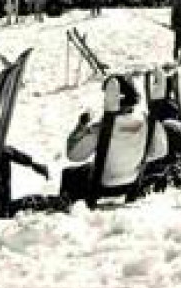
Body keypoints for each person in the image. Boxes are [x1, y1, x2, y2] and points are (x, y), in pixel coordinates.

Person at [61, 76, 168, 206]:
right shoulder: (147, 123)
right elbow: (161, 151)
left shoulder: (102, 129)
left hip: (103, 184)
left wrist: (81, 126)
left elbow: (74, 155)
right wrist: (135, 156)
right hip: (131, 180)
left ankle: (67, 211)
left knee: (69, 174)